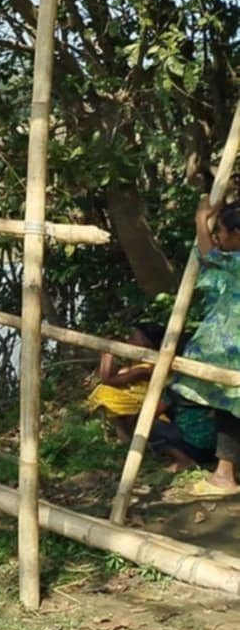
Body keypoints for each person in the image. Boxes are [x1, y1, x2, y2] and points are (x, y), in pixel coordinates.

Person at [167, 198, 240, 496]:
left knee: (230, 408)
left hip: (231, 354)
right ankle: (224, 472)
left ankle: (224, 476)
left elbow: (208, 256)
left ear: (237, 234)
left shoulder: (235, 264)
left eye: (221, 232)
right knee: (229, 409)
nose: (218, 238)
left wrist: (200, 220)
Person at [89, 320, 214, 471]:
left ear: (146, 342)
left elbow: (108, 380)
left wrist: (107, 352)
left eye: (134, 336)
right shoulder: (207, 385)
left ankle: (183, 460)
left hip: (196, 448)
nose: (129, 340)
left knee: (145, 422)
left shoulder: (153, 370)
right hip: (215, 448)